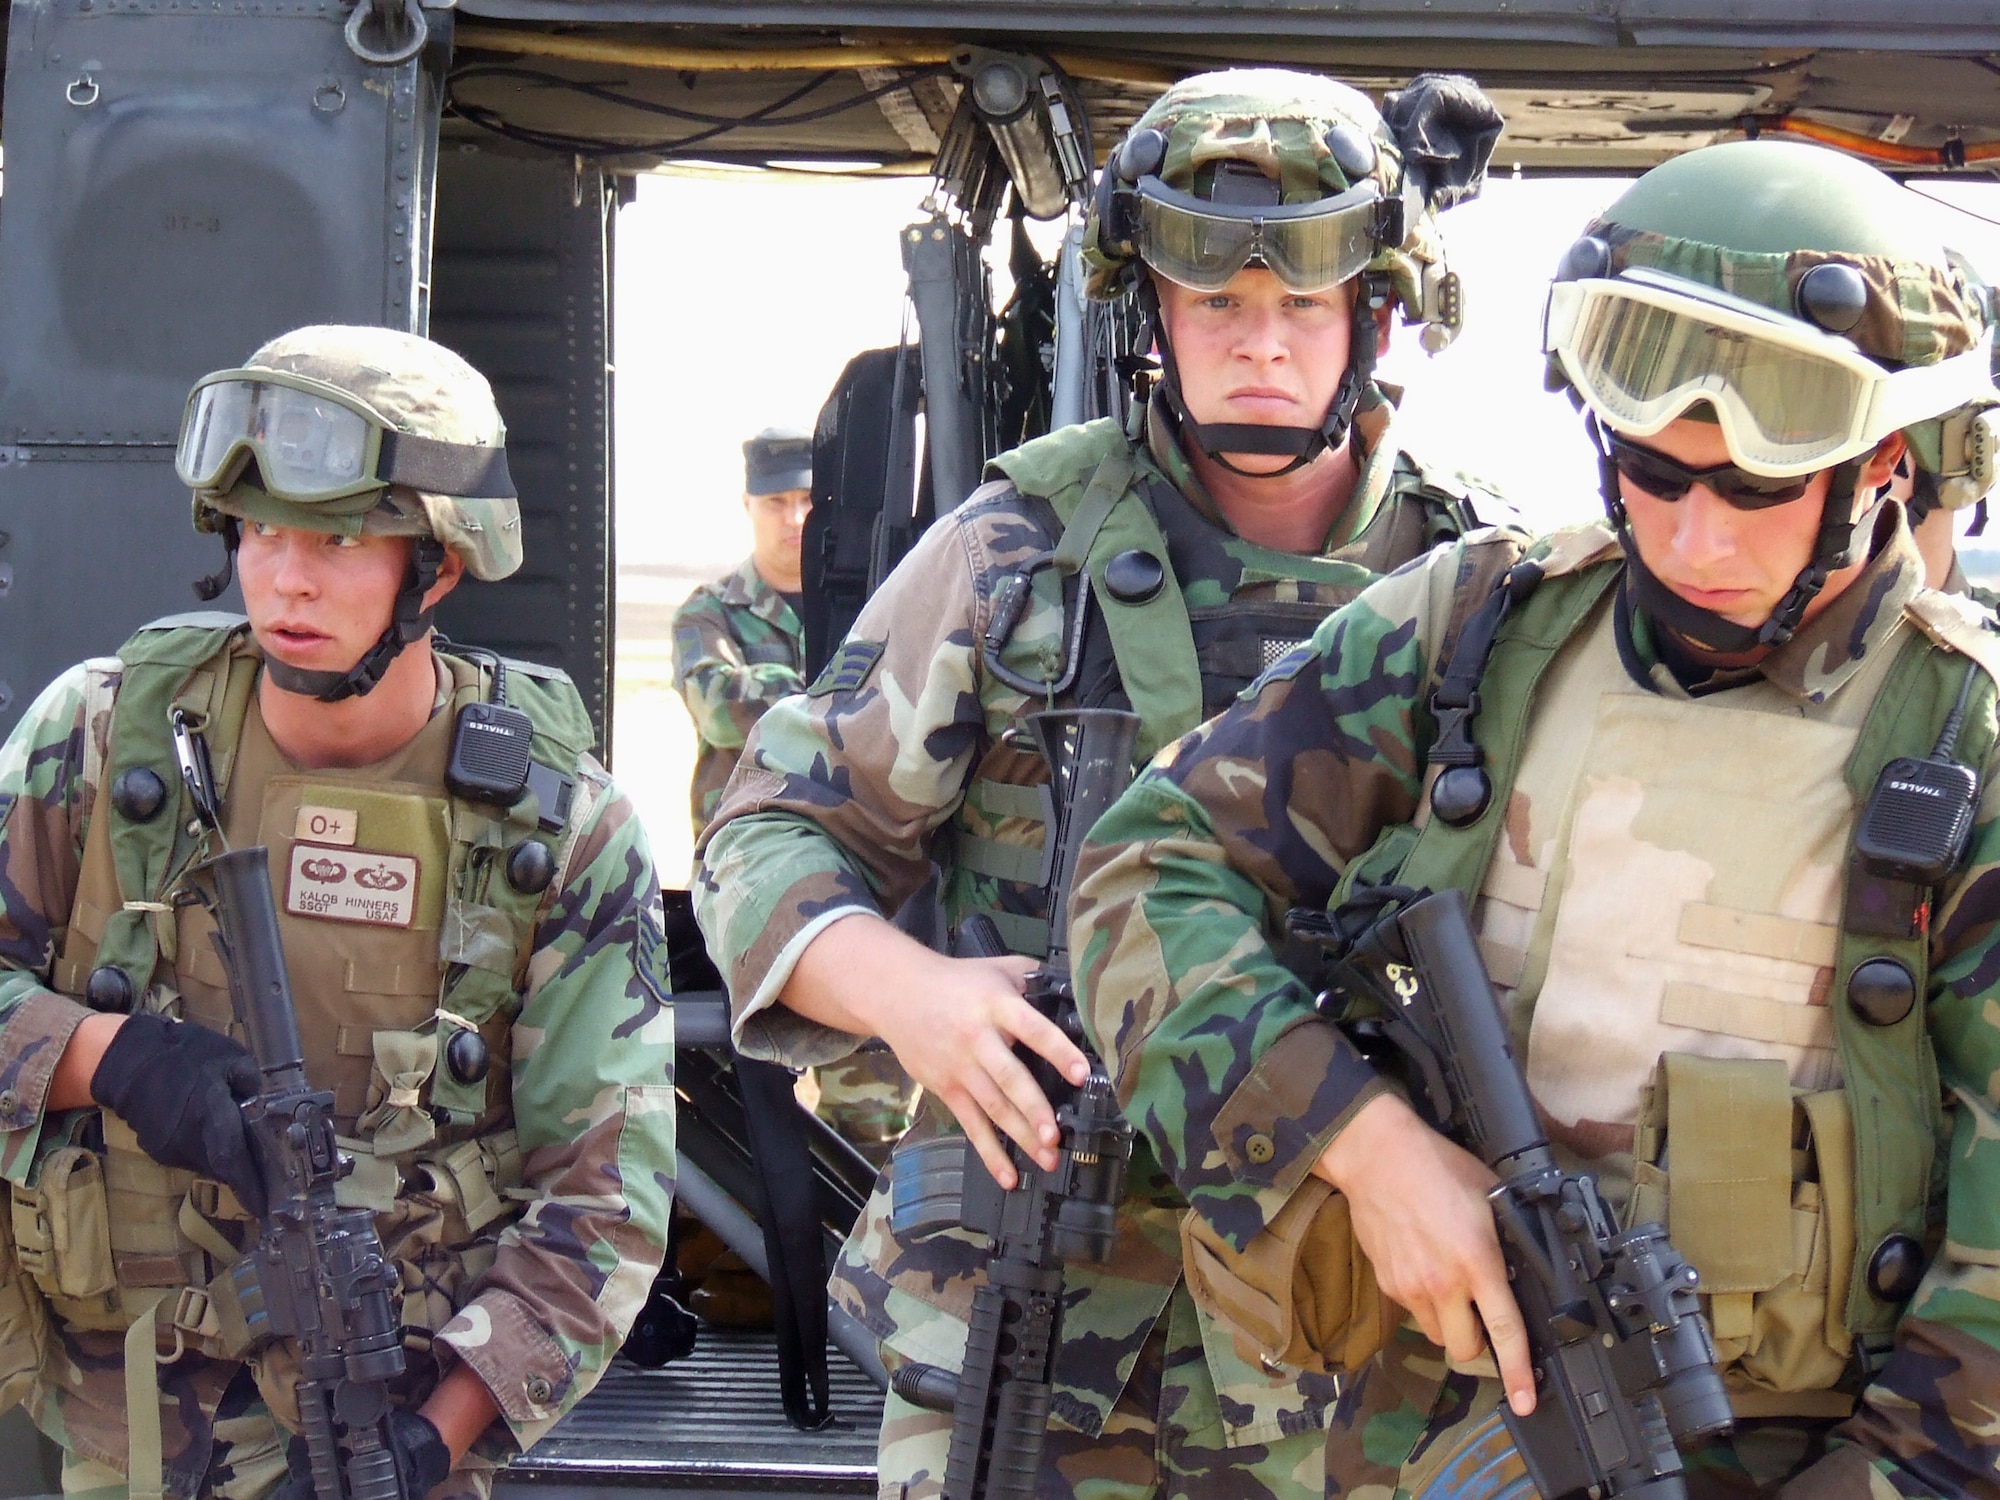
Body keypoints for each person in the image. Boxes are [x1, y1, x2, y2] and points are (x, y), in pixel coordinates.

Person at [1069, 138, 2000, 1499]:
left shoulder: (1960, 743)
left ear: (1886, 469)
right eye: (1650, 471)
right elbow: (1145, 872)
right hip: (1403, 1426)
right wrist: (1366, 1147)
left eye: (1754, 490)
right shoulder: (1476, 632)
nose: (1693, 539)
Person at [695, 68, 1506, 1500]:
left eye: (1302, 308)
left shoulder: (1479, 595)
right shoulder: (1016, 555)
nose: (1262, 349)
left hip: (1362, 1343)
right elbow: (766, 839)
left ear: (1374, 316)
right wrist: (910, 996)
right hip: (1044, 1312)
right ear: (1154, 318)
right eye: (1218, 308)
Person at [0, 325, 676, 1500]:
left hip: (385, 1433)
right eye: (262, 532)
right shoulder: (104, 744)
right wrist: (104, 1058)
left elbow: (604, 1202)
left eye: (342, 539)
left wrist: (430, 1441)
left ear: (441, 565)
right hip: (107, 1426)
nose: (288, 579)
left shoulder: (555, 829)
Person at [672, 429, 919, 1181]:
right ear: (748, 505)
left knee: (870, 1122)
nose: (793, 517)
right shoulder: (711, 613)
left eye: (808, 500)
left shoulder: (880, 601)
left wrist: (792, 695)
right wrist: (845, 699)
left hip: (866, 891)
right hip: (746, 893)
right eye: (776, 501)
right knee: (740, 1114)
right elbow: (719, 707)